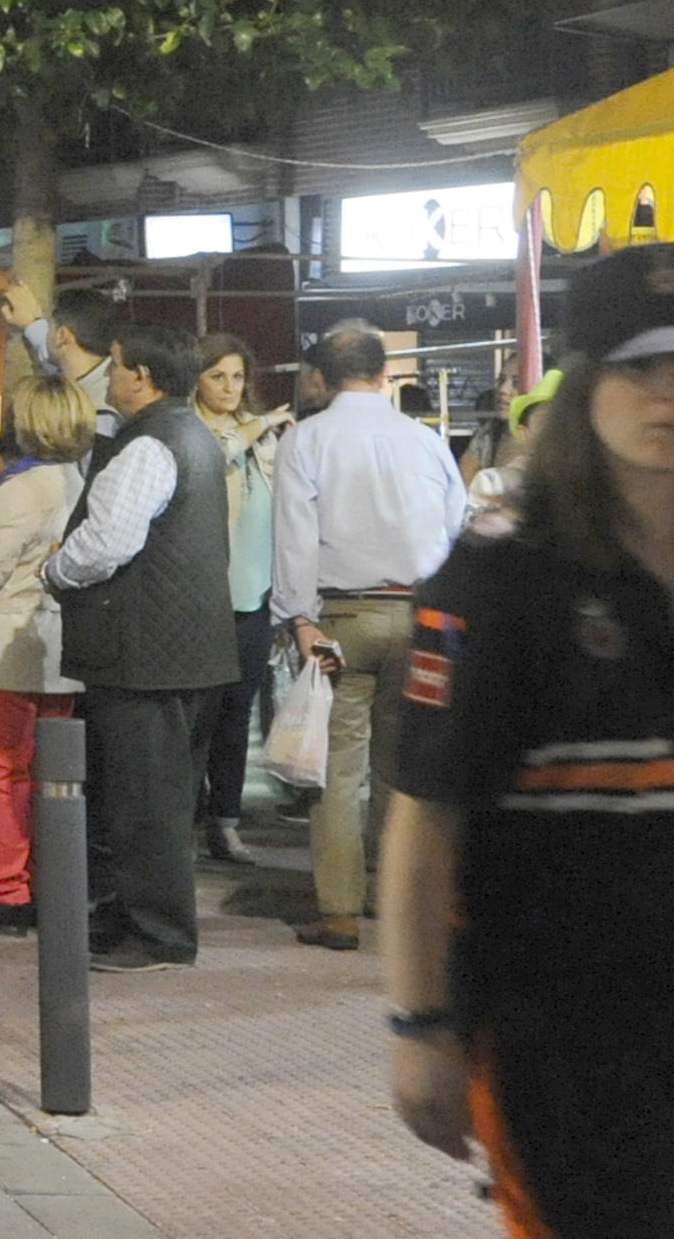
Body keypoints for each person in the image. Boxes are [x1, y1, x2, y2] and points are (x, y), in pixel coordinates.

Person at [383, 248, 674, 1236]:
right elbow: (427, 824)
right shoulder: (504, 580)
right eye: (640, 367)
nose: (666, 394)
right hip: (564, 1030)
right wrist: (419, 1025)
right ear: (587, 384)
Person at [41, 325, 237, 971]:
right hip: (192, 649)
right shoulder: (194, 434)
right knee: (159, 799)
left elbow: (108, 542)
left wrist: (55, 570)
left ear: (142, 379)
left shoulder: (150, 443)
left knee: (144, 802)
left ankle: (159, 933)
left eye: (117, 366)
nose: (110, 376)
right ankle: (132, 916)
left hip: (146, 652)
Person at [268, 322, 466, 951]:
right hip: (423, 618)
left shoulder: (306, 441)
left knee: (336, 770)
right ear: (386, 375)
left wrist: (298, 618)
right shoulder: (425, 441)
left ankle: (339, 912)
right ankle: (392, 895)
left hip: (342, 620)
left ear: (320, 379)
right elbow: (458, 522)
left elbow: (295, 538)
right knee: (401, 767)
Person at [0, 379, 95, 936]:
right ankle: (48, 880)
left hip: (11, 645)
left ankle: (8, 889)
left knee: (4, 772)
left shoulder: (23, 486)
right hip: (62, 647)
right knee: (51, 777)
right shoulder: (80, 480)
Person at [193, 335, 288, 863]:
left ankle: (224, 822)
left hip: (255, 598)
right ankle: (187, 819)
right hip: (204, 599)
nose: (230, 388)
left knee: (236, 715)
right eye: (217, 376)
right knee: (197, 718)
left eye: (236, 376)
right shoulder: (192, 429)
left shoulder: (262, 435)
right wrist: (255, 428)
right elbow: (210, 462)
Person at [5, 281, 121, 439]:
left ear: (62, 335)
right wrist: (32, 322)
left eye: (51, 324)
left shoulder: (99, 416)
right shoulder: (99, 374)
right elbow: (49, 351)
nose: (48, 332)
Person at [463, 369, 560, 539]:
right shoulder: (492, 484)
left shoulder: (599, 487)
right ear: (523, 433)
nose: (560, 430)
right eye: (546, 421)